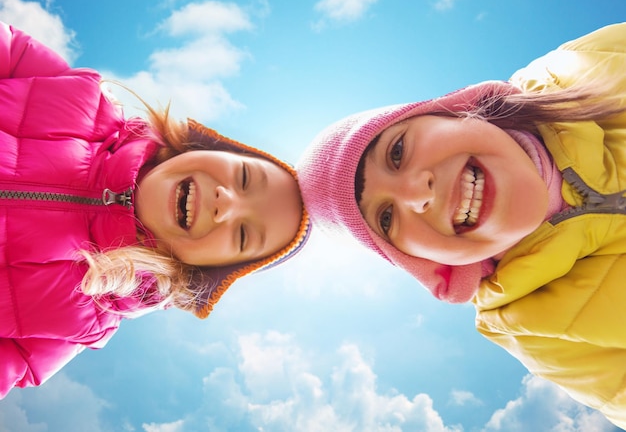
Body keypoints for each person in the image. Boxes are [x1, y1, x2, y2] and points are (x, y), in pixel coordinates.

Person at [297, 22, 626, 428]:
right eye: (386, 217)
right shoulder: (535, 328)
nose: (418, 194)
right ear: (424, 262)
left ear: (452, 111)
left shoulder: (590, 65)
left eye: (397, 151)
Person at [0, 21, 310, 398]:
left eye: (243, 234)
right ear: (207, 148)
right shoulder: (81, 100)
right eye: (244, 178)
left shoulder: (79, 319)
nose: (226, 203)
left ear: (203, 270)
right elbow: (10, 50)